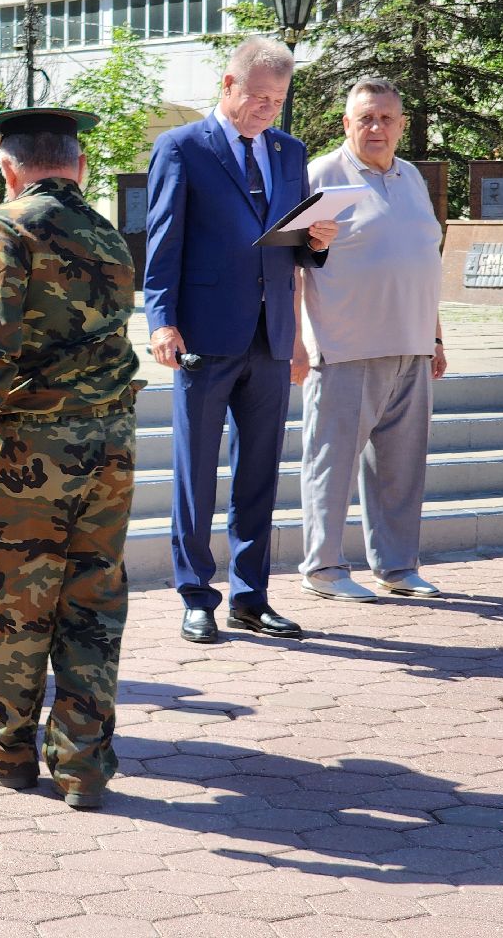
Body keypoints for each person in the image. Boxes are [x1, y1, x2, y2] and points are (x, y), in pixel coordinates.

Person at [0, 107, 140, 811]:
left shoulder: (1, 226)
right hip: (110, 447)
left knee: (16, 600)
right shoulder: (108, 233)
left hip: (30, 450)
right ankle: (83, 766)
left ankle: (9, 753)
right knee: (93, 600)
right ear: (78, 165)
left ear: (8, 168)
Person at [144, 36, 338, 645]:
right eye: (258, 97)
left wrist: (316, 242)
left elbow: (291, 242)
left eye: (278, 100)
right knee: (196, 473)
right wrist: (160, 321)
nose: (267, 109)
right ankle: (196, 595)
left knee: (258, 474)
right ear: (227, 85)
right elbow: (162, 240)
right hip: (204, 333)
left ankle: (251, 597)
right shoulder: (182, 147)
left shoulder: (289, 150)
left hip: (270, 334)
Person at [294, 78, 446, 602]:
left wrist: (435, 335)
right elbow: (292, 265)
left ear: (401, 125)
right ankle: (323, 568)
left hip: (412, 343)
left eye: (386, 118)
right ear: (347, 123)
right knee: (330, 464)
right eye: (365, 118)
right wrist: (296, 343)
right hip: (345, 346)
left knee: (401, 469)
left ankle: (397, 566)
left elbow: (423, 258)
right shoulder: (321, 175)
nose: (376, 127)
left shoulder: (412, 178)